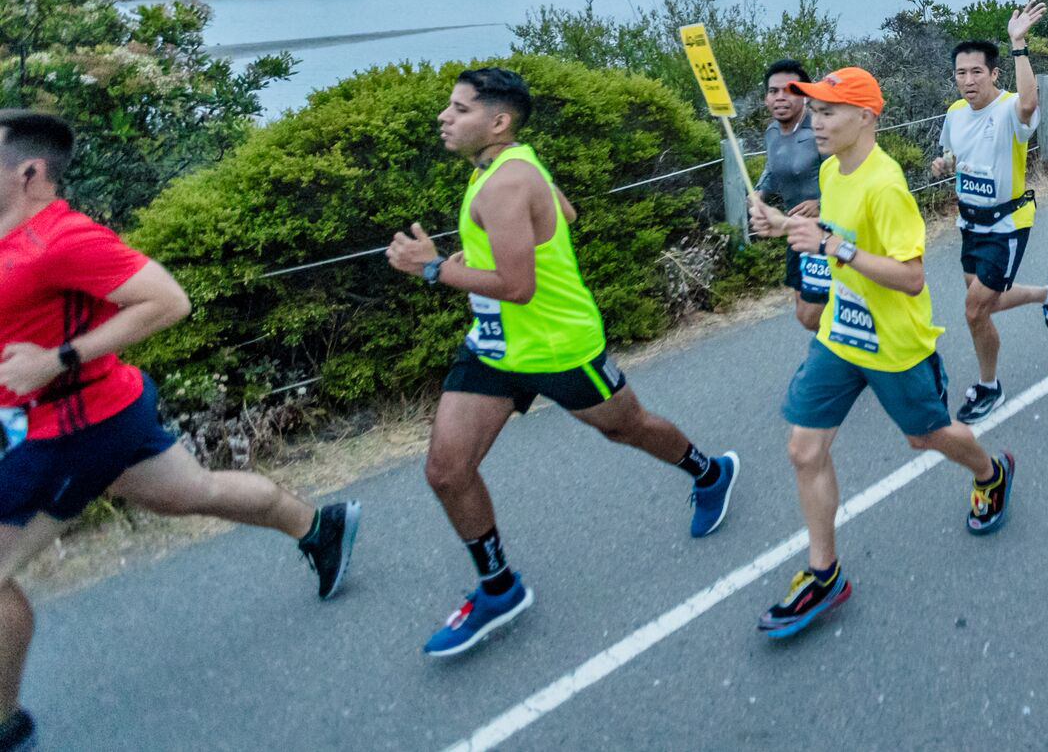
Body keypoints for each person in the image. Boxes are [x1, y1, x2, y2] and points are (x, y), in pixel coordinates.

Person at [0, 112, 361, 750]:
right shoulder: (9, 233)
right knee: (190, 492)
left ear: (29, 172)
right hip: (97, 413)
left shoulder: (63, 238)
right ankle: (320, 527)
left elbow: (168, 301)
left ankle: (8, 728)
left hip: (73, 425)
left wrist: (54, 362)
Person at [386, 68, 737, 657]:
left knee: (628, 429)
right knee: (447, 471)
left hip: (558, 346)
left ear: (497, 122)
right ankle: (499, 588)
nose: (445, 118)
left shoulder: (503, 183)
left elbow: (517, 285)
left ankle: (709, 472)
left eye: (459, 109)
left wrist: (431, 266)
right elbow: (566, 215)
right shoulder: (507, 166)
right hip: (496, 349)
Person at [748, 67, 1015, 639]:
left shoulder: (886, 184)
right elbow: (835, 229)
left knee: (925, 437)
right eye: (814, 111)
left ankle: (991, 473)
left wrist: (831, 246)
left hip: (894, 343)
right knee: (803, 448)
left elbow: (912, 277)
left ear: (866, 117)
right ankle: (825, 576)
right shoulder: (829, 170)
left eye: (829, 112)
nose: (816, 123)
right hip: (842, 334)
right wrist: (784, 224)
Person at [929, 6, 1048, 424]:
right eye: (961, 73)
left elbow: (1029, 103)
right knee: (986, 303)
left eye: (976, 72)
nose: (968, 80)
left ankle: (989, 386)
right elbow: (953, 155)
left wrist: (1018, 44)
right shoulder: (954, 114)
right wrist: (944, 166)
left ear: (994, 74)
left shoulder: (1010, 107)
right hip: (969, 223)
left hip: (1007, 225)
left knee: (974, 310)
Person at [760, 59, 828, 329]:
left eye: (788, 90)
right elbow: (771, 168)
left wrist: (821, 203)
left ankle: (845, 359)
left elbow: (847, 174)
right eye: (773, 91)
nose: (780, 97)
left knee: (816, 311)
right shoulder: (772, 132)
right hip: (795, 230)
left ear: (804, 94)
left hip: (828, 230)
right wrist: (757, 194)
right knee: (804, 313)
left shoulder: (821, 129)